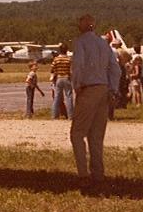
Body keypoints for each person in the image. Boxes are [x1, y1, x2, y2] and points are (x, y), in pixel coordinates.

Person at [70, 14, 121, 190]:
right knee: (96, 135)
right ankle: (98, 174)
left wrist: (77, 86)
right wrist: (113, 89)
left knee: (77, 133)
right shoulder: (103, 44)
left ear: (82, 25)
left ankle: (83, 174)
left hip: (89, 88)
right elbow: (115, 69)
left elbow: (78, 65)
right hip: (104, 89)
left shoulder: (80, 42)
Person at [50, 43, 73, 119]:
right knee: (68, 97)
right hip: (66, 78)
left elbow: (52, 69)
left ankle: (54, 116)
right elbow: (71, 70)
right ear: (66, 50)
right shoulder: (69, 59)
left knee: (57, 97)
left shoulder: (56, 59)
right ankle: (70, 116)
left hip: (59, 78)